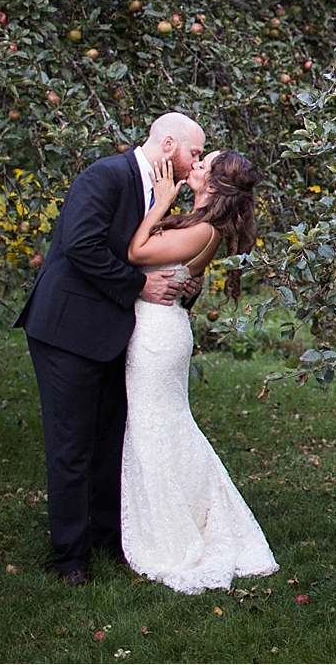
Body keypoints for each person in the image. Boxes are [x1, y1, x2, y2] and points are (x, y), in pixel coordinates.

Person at [14, 112, 205, 585]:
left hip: (118, 335)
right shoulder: (106, 175)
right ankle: (69, 557)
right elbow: (80, 246)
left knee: (109, 440)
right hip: (67, 328)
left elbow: (172, 254)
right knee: (71, 444)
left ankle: (107, 537)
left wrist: (183, 283)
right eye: (194, 152)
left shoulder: (165, 193)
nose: (197, 160)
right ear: (167, 145)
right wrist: (138, 284)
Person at [120, 148, 278, 593]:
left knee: (159, 426)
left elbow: (137, 251)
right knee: (158, 424)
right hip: (157, 327)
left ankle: (179, 527)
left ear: (215, 183)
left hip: (157, 336)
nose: (196, 166)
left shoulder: (203, 227)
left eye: (204, 164)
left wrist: (161, 201)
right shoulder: (200, 223)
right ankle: (170, 512)